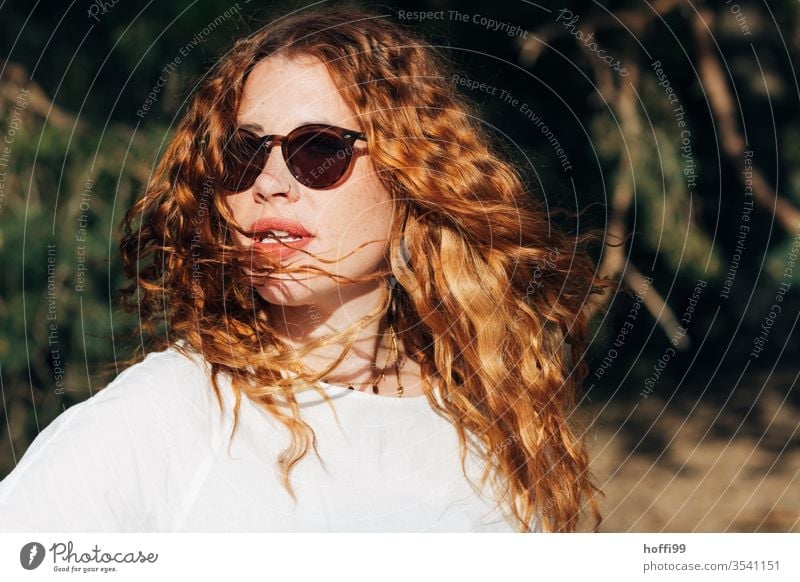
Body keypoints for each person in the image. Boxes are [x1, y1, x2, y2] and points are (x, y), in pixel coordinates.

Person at [0, 6, 606, 532]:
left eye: (319, 148)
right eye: (243, 152)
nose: (269, 184)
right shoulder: (175, 413)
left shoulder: (490, 414)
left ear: (411, 172)